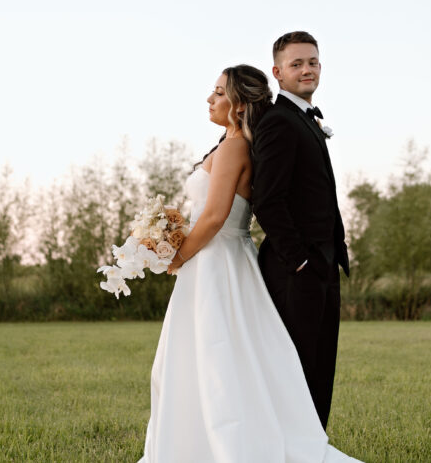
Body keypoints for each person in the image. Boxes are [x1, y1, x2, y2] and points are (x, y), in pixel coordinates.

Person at [138, 64, 359, 463]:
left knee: (216, 358)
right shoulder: (230, 144)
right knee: (204, 358)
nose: (210, 98)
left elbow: (214, 217)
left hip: (216, 263)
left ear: (239, 105)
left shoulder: (235, 147)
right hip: (215, 259)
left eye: (220, 92)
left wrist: (178, 257)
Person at [252, 31, 349, 430]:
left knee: (321, 366)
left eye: (312, 62)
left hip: (323, 265)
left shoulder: (307, 119)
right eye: (296, 64)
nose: (306, 69)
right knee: (299, 371)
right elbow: (267, 201)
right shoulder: (278, 122)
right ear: (277, 72)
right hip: (297, 271)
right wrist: (301, 261)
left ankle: (312, 450)